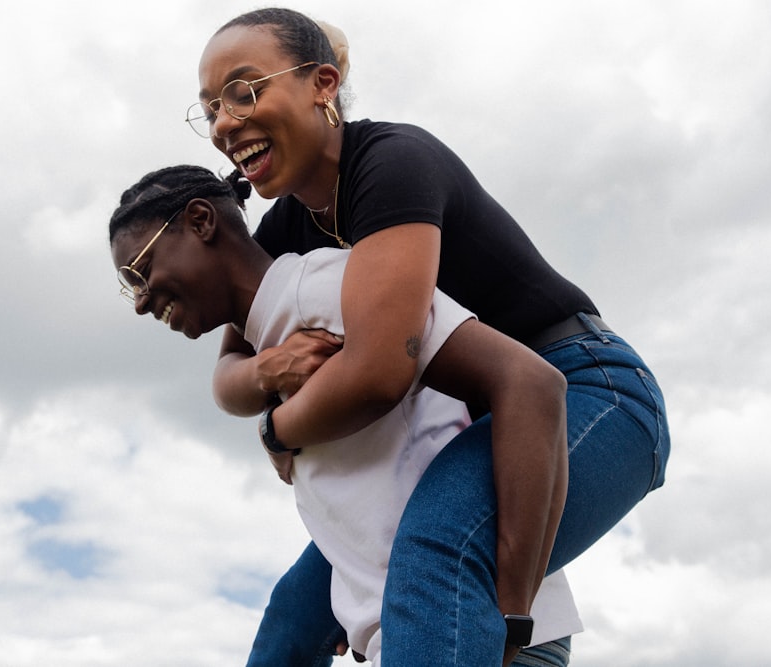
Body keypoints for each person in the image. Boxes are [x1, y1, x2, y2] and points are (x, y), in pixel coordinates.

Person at [189, 7, 671, 667]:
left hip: (596, 391)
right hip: (476, 425)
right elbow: (228, 379)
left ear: (322, 84)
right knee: (292, 616)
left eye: (243, 92)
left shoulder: (392, 163)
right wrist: (270, 374)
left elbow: (383, 371)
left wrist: (280, 429)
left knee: (439, 549)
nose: (223, 122)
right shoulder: (285, 229)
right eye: (210, 107)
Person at [109, 165, 583, 664]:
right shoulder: (271, 337)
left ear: (202, 221)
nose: (140, 302)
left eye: (140, 271)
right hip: (420, 632)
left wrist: (512, 619)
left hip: (472, 633)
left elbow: (531, 382)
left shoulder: (326, 284)